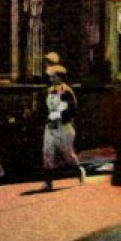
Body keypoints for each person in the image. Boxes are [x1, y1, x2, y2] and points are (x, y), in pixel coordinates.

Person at [40, 56, 85, 191]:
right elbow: (45, 108)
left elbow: (72, 108)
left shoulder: (66, 91)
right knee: (47, 153)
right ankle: (48, 182)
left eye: (53, 76)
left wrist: (60, 114)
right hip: (51, 126)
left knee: (68, 155)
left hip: (64, 127)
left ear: (59, 77)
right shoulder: (49, 91)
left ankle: (79, 171)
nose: (51, 78)